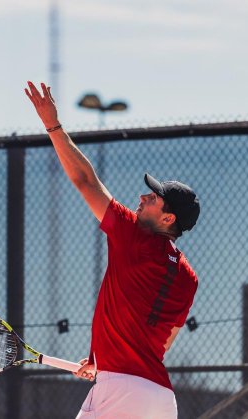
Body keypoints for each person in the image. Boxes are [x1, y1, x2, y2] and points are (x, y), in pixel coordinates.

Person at [25, 81, 200, 418]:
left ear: (168, 217)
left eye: (153, 197)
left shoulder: (134, 236)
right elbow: (161, 342)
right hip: (160, 400)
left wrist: (52, 124)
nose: (142, 197)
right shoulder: (188, 276)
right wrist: (104, 360)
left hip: (123, 391)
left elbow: (85, 181)